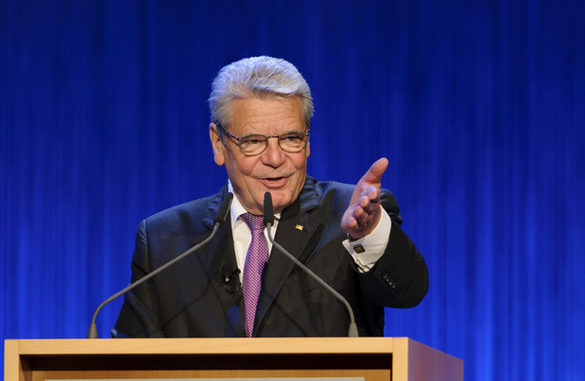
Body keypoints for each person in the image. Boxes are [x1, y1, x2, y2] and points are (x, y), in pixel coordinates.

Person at [112, 56, 428, 337]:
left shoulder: (352, 214)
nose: (275, 158)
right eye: (253, 141)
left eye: (291, 138)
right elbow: (131, 372)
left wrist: (368, 235)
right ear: (218, 144)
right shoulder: (164, 240)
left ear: (307, 142)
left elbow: (408, 292)